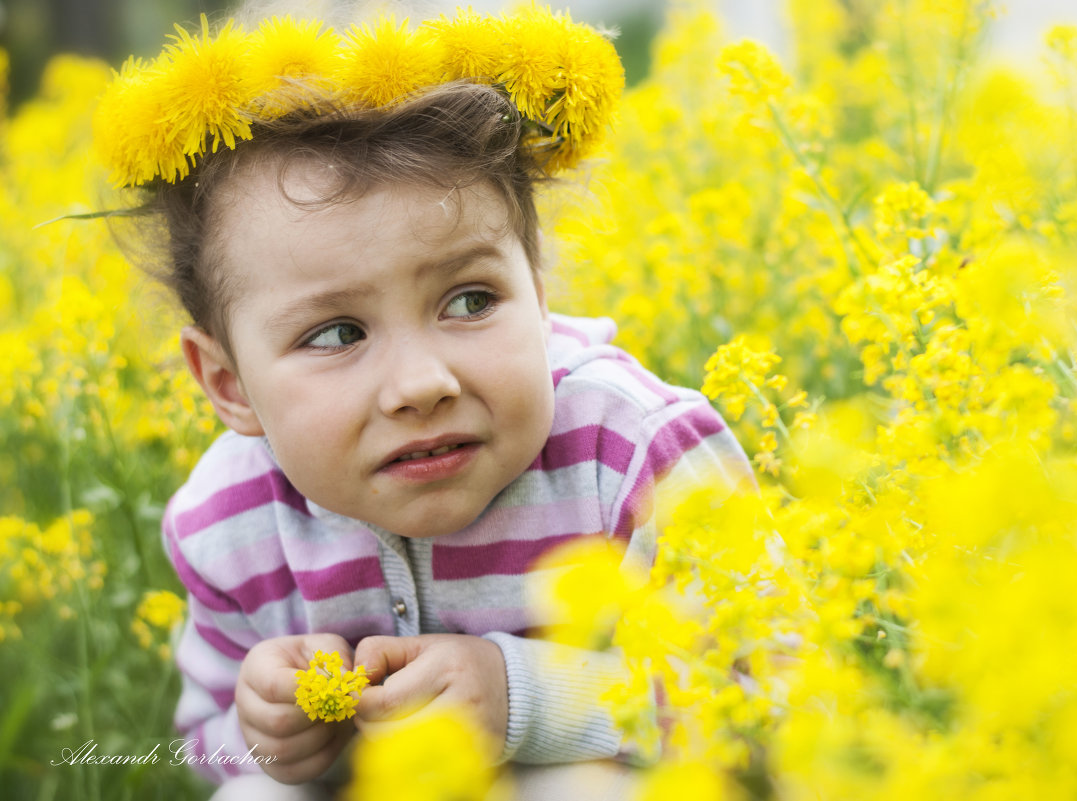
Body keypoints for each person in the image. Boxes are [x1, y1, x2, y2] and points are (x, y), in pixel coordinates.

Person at [94, 5, 752, 799]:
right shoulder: (227, 518)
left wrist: (527, 699)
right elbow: (204, 746)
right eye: (337, 333)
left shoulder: (637, 451)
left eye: (471, 301)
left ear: (537, 299)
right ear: (229, 385)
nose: (421, 384)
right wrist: (263, 732)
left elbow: (776, 701)